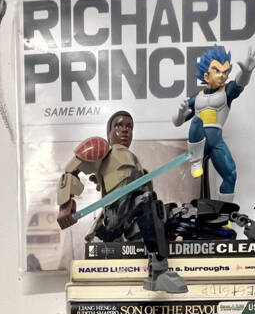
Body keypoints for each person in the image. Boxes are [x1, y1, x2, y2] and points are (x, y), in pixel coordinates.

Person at [56, 110, 187, 293]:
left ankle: (158, 272)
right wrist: (65, 205)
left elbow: (147, 201)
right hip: (113, 218)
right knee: (147, 203)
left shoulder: (138, 167)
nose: (124, 130)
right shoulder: (103, 150)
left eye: (129, 127)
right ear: (109, 132)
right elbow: (71, 170)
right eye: (118, 125)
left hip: (133, 222)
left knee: (166, 212)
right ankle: (157, 272)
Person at [172, 45, 255, 196]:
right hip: (199, 143)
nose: (222, 75)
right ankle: (196, 162)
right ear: (206, 75)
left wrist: (246, 72)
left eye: (225, 72)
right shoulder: (196, 98)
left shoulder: (226, 92)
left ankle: (225, 209)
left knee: (231, 175)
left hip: (216, 143)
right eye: (217, 70)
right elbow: (176, 122)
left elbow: (239, 84)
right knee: (196, 121)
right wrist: (181, 114)